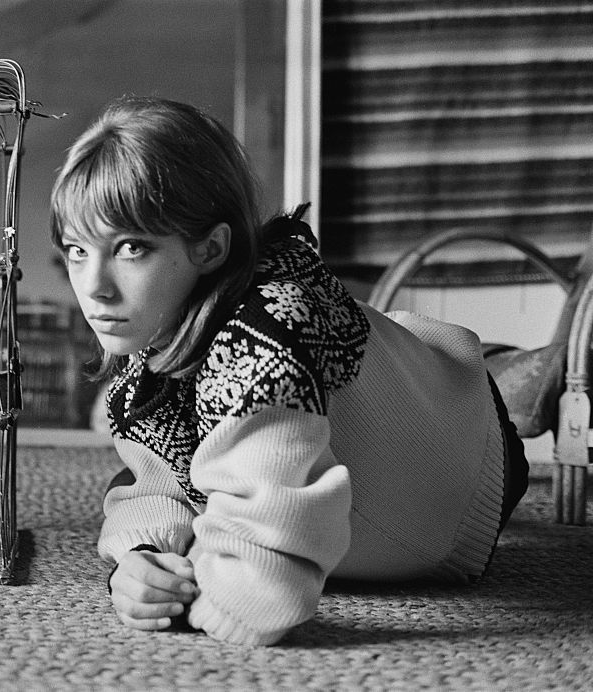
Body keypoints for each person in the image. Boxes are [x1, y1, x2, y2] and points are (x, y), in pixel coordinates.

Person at [49, 95, 529, 646]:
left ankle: (516, 364)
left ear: (211, 249)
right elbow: (159, 485)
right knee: (143, 471)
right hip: (391, 384)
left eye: (131, 248)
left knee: (423, 377)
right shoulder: (160, 331)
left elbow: (267, 588)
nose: (93, 289)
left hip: (469, 445)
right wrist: (140, 561)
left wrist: (193, 595)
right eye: (77, 250)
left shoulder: (263, 339)